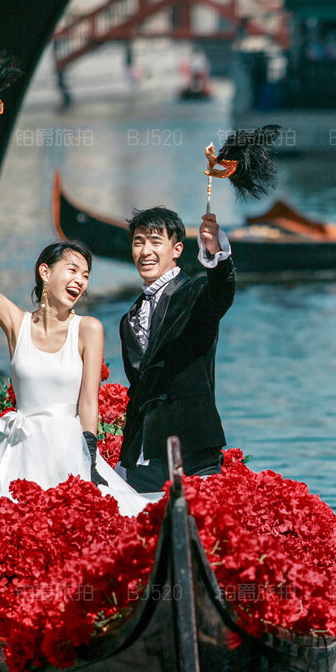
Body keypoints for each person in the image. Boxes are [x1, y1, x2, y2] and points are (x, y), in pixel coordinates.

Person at [0, 159, 151, 519]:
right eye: (72, 270)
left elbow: (88, 402)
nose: (80, 281)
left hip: (70, 450)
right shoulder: (16, 323)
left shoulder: (88, 328)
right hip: (19, 453)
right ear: (45, 272)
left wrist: (90, 459)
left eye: (86, 275)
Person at [117, 206, 234, 493]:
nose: (145, 251)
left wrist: (215, 254)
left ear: (177, 249)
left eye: (156, 241)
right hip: (143, 459)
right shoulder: (129, 318)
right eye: (138, 242)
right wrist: (126, 455)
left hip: (193, 451)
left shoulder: (195, 295)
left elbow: (221, 291)